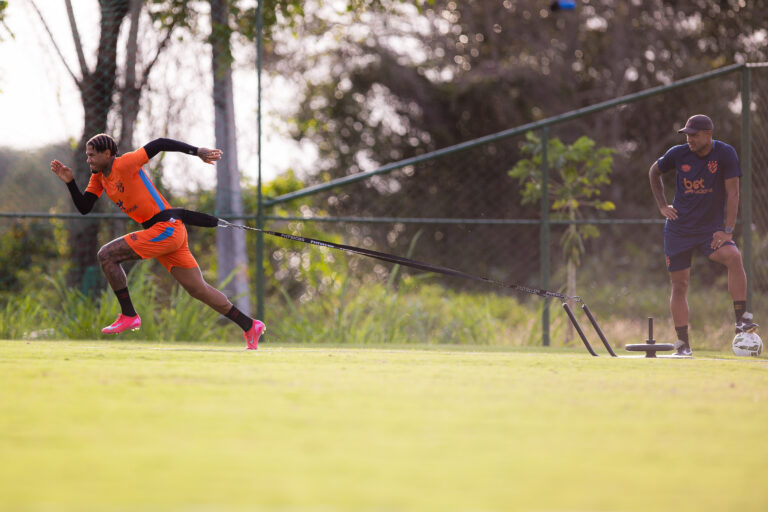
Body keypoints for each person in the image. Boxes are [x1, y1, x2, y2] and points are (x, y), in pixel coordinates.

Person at [50, 134, 265, 350]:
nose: (88, 160)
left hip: (167, 229)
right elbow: (85, 207)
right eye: (88, 156)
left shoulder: (125, 163)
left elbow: (160, 143)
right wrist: (70, 182)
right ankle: (250, 325)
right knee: (198, 289)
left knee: (106, 255)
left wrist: (196, 151)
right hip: (163, 232)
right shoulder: (98, 178)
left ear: (107, 154)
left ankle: (129, 314)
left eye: (92, 155)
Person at [648, 114, 757, 356]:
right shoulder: (678, 153)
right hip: (679, 229)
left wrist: (727, 229)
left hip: (711, 229)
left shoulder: (726, 153)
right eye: (687, 134)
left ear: (708, 134)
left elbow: (733, 194)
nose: (690, 139)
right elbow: (654, 172)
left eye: (694, 135)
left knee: (734, 257)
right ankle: (683, 345)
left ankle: (741, 320)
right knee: (679, 285)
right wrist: (662, 206)